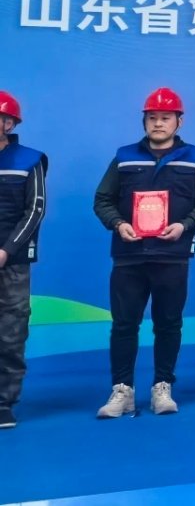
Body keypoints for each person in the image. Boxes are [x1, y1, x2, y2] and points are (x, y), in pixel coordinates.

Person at [93, 87, 195, 418]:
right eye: (152, 118)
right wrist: (119, 224)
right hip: (129, 256)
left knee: (168, 324)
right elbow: (102, 200)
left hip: (172, 255)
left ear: (179, 121)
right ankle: (122, 390)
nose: (158, 123)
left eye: (165, 117)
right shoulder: (124, 156)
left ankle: (162, 387)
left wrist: (186, 225)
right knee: (124, 325)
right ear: (144, 121)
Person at [0, 92, 47, 430]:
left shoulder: (30, 160)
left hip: (12, 262)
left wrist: (6, 250)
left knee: (10, 332)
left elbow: (35, 209)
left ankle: (3, 402)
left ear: (10, 123)